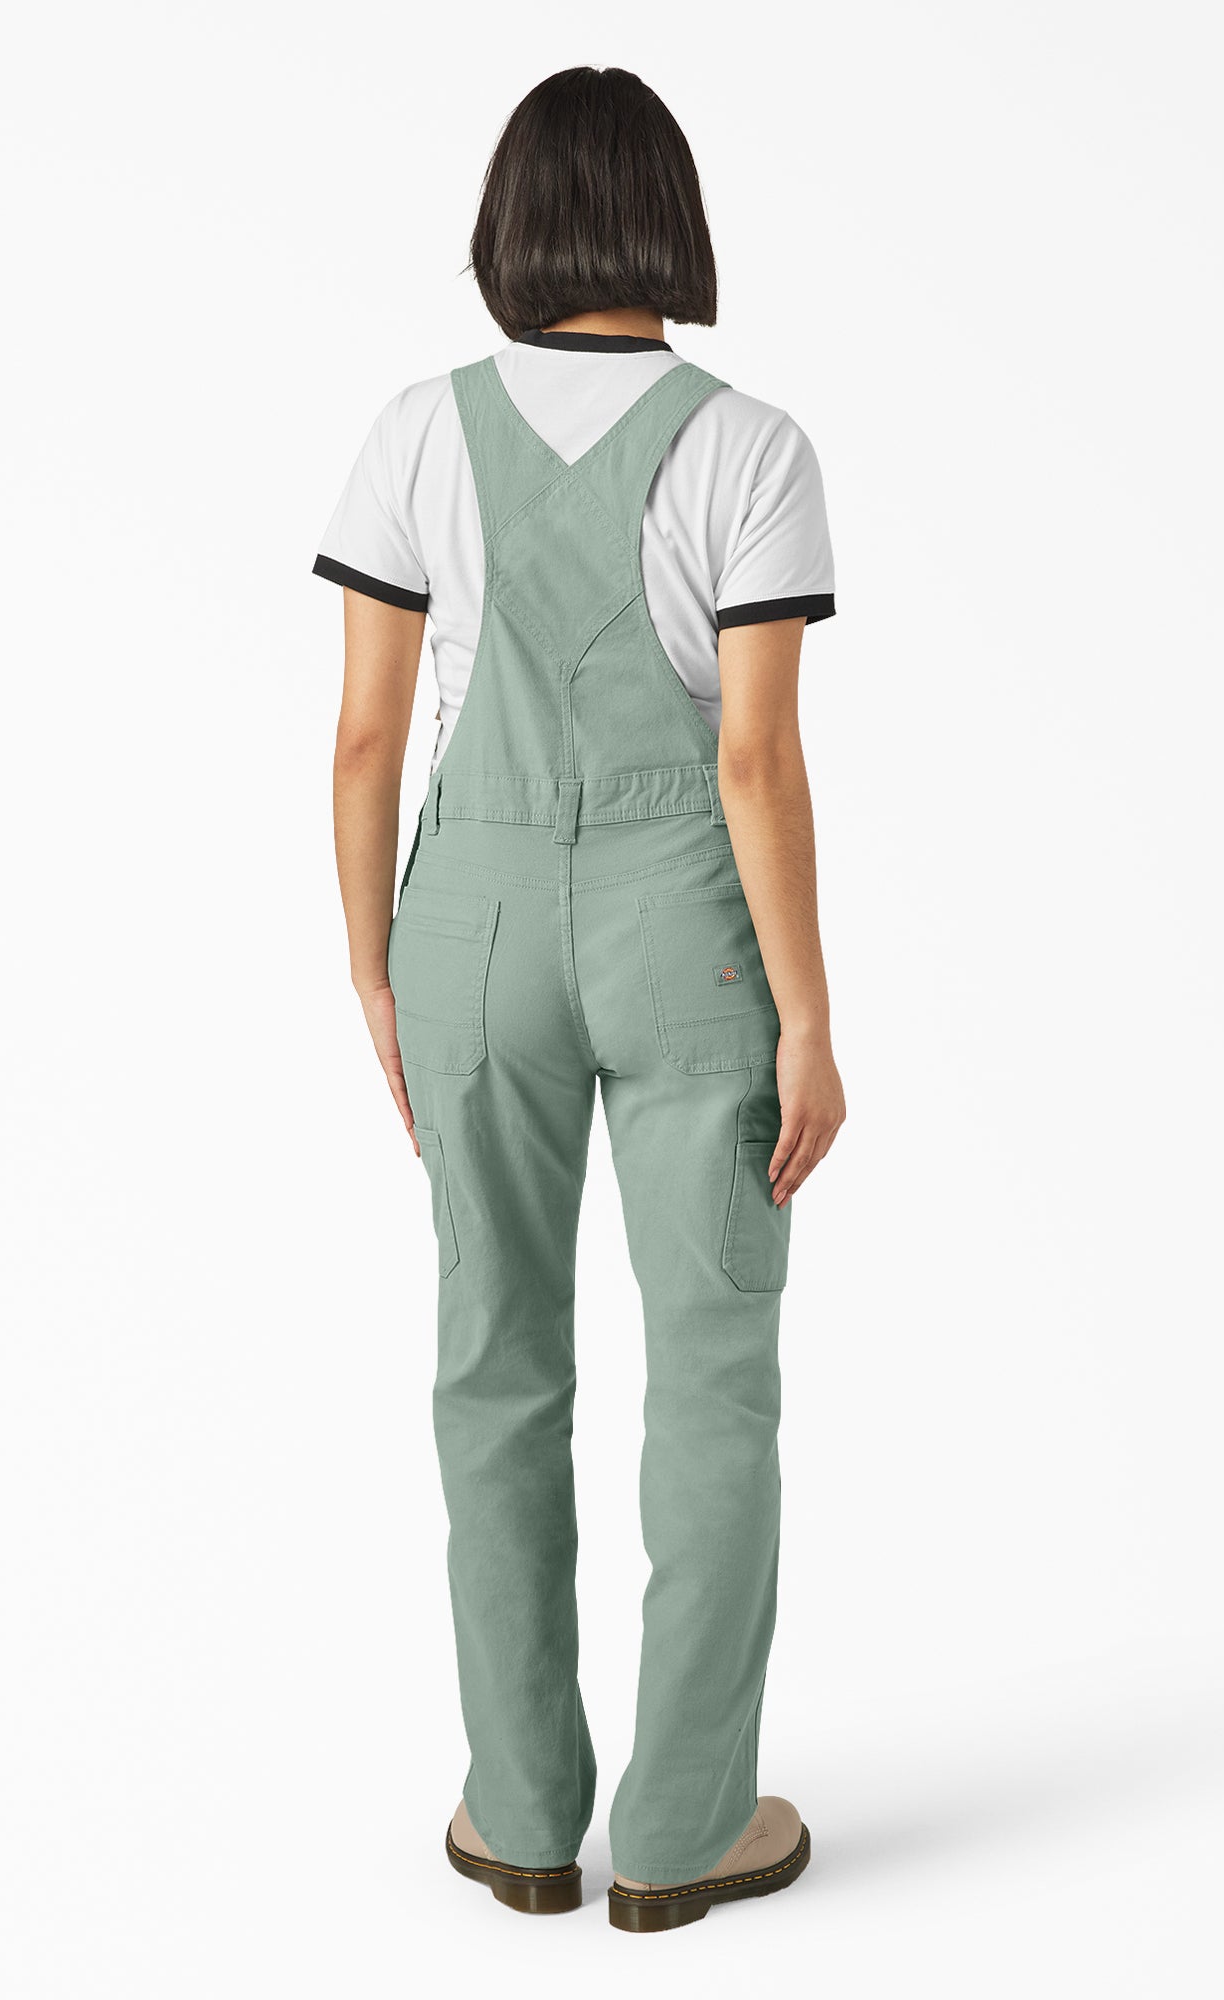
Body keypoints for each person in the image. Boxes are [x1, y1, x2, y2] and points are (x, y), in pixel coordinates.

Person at [320, 66, 845, 1933]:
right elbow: (754, 762)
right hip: (684, 934)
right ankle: (687, 1831)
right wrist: (808, 1018)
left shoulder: (416, 430)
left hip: (466, 926)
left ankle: (523, 1814)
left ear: (512, 224)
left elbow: (368, 733)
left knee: (494, 1366)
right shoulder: (752, 448)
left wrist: (375, 964)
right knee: (712, 1382)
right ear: (668, 220)